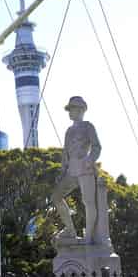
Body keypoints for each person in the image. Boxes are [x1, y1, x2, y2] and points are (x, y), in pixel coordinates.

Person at [50, 96, 110, 245]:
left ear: (81, 110)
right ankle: (70, 229)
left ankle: (88, 236)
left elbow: (97, 146)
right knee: (56, 197)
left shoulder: (88, 126)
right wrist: (62, 171)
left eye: (73, 109)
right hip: (71, 170)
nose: (70, 112)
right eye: (69, 109)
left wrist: (89, 160)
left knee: (88, 202)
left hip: (85, 168)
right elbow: (65, 154)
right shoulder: (68, 131)